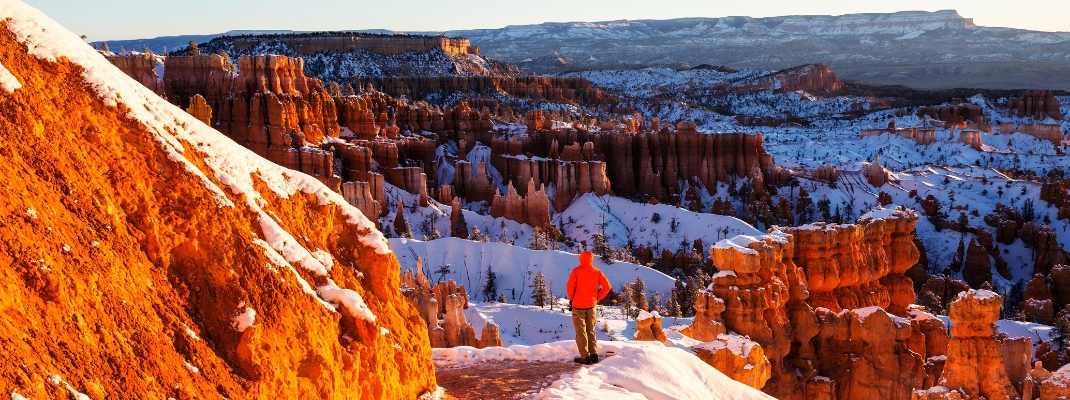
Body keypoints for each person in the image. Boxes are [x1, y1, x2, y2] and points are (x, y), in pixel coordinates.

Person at [566, 250, 611, 365]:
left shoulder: (576, 271)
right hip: (591, 306)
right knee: (590, 330)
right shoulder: (597, 272)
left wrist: (571, 298)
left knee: (581, 332)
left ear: (581, 258)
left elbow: (570, 286)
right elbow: (607, 286)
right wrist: (597, 298)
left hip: (578, 306)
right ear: (591, 260)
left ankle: (585, 357)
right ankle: (594, 354)